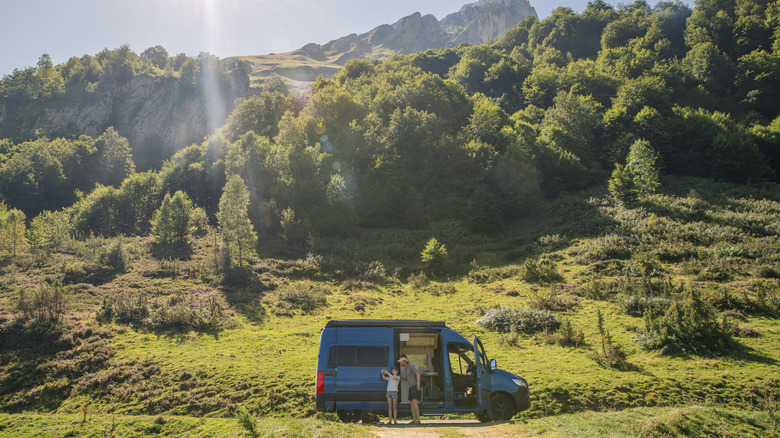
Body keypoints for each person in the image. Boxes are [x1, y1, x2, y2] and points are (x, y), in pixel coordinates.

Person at [399, 356, 421, 424]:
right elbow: (407, 379)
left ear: (405, 362)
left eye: (401, 362)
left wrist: (418, 384)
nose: (400, 363)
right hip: (410, 386)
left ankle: (418, 420)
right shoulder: (405, 369)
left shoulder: (410, 366)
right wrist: (402, 378)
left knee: (414, 402)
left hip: (414, 386)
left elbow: (418, 374)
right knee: (411, 403)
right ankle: (414, 420)